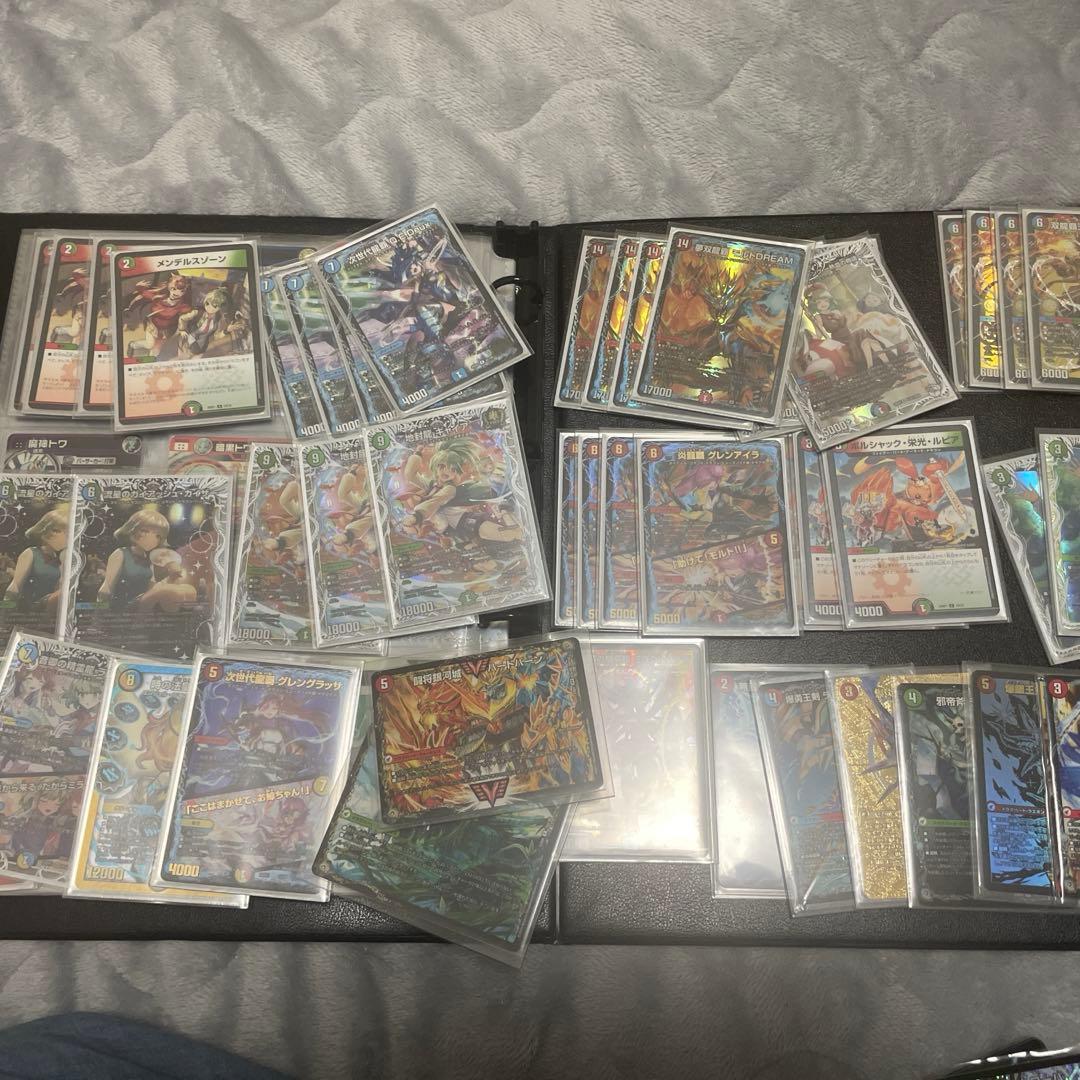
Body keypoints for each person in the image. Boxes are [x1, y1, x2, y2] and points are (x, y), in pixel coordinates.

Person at [97, 508, 169, 610]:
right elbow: (106, 588)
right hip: (117, 609)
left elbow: (151, 591)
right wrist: (100, 611)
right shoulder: (121, 554)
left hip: (138, 611)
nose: (151, 538)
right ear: (132, 529)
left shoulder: (151, 561)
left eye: (158, 535)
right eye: (145, 531)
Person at [5, 505, 69, 614]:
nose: (67, 537)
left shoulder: (60, 560)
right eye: (64, 532)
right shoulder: (31, 553)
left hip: (48, 611)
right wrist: (5, 613)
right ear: (49, 532)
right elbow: (15, 586)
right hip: (30, 607)